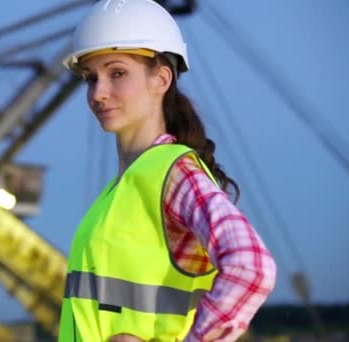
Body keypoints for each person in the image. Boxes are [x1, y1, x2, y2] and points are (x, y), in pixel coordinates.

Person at [58, 0, 277, 341]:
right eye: (90, 78)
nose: (98, 93)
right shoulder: (118, 192)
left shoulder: (174, 173)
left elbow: (250, 267)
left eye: (117, 73)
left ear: (161, 79)